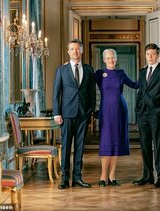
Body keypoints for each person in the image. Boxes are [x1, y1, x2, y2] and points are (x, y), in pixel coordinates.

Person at [53, 39, 96, 189]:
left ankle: (77, 177)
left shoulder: (89, 69)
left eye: (78, 49)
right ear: (68, 52)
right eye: (72, 49)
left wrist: (90, 110)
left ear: (82, 51)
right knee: (66, 147)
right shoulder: (61, 70)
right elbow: (56, 94)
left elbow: (92, 92)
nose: (75, 52)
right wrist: (56, 113)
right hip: (66, 115)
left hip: (83, 114)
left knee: (79, 147)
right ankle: (65, 179)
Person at [95, 49, 139, 187]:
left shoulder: (121, 73)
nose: (111, 60)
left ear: (116, 58)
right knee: (106, 142)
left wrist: (147, 74)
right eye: (108, 58)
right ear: (104, 60)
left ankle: (112, 176)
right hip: (106, 112)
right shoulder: (98, 74)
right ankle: (103, 176)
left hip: (120, 110)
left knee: (116, 143)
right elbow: (84, 82)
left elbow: (135, 85)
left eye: (113, 57)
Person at [134, 43, 160, 188]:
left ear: (158, 55)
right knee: (144, 145)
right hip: (142, 113)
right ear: (145, 55)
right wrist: (137, 109)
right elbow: (140, 91)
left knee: (158, 146)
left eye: (153, 54)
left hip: (156, 113)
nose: (150, 57)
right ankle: (147, 176)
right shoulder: (142, 72)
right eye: (148, 54)